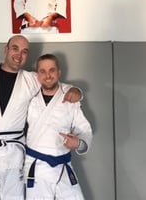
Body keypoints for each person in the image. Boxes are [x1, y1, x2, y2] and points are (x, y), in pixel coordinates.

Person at [0, 35, 80, 200]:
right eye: (15, 48)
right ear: (6, 50)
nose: (19, 55)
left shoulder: (31, 79)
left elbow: (52, 82)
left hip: (14, 156)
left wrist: (75, 91)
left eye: (24, 52)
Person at [24, 54, 92, 199]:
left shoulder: (69, 95)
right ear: (37, 75)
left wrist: (78, 143)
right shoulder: (29, 96)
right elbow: (13, 119)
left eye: (52, 70)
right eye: (42, 71)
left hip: (62, 164)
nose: (47, 75)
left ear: (59, 72)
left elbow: (84, 129)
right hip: (37, 167)